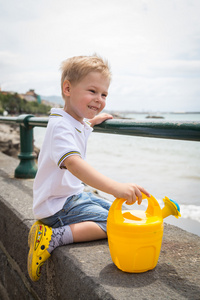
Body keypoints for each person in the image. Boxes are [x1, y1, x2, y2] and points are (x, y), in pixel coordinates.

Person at [28, 55, 150, 281]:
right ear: (67, 88)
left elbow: (79, 127)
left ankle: (53, 231)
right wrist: (116, 188)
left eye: (104, 94)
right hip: (57, 207)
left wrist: (91, 121)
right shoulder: (61, 127)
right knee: (111, 223)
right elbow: (74, 164)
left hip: (66, 198)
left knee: (117, 212)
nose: (99, 99)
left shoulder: (71, 121)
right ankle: (52, 237)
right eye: (92, 91)